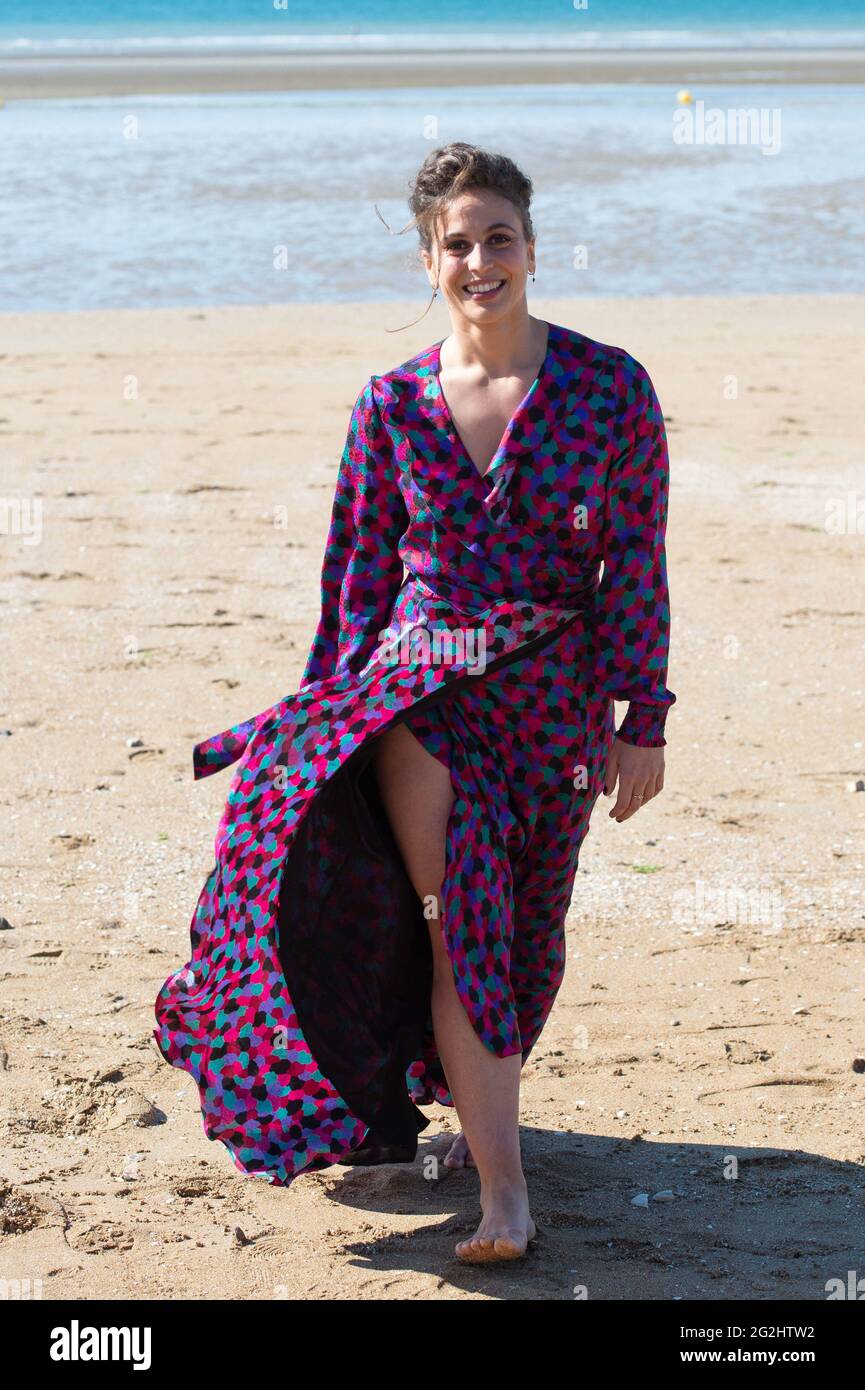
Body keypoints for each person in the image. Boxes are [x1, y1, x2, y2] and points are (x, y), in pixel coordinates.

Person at [154, 141, 675, 1266]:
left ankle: (463, 1109)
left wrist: (643, 715)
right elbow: (355, 579)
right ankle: (504, 1194)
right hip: (421, 695)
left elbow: (634, 559)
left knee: (527, 937)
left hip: (557, 706)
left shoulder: (609, 388)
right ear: (427, 261)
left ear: (531, 246)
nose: (479, 261)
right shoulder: (390, 404)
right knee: (463, 925)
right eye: (457, 244)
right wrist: (318, 726)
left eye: (498, 239)